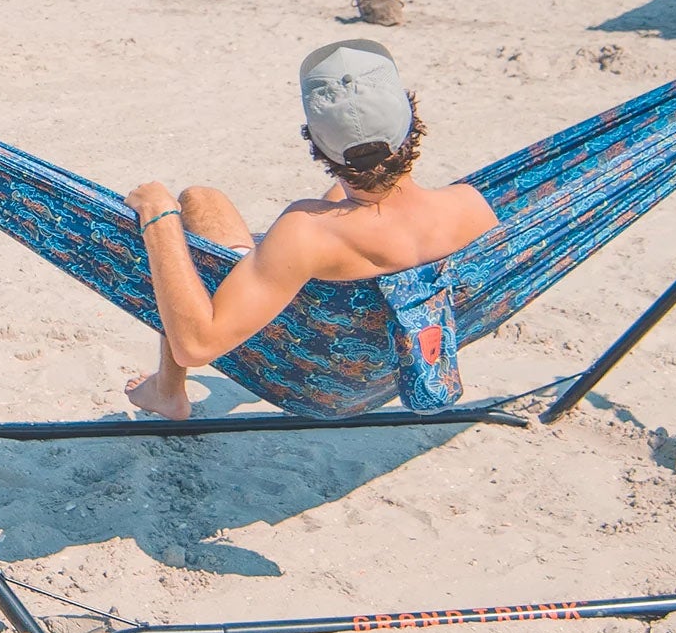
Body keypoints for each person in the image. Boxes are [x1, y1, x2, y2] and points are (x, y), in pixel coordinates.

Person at [121, 40, 499, 419]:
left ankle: (168, 389)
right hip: (393, 363)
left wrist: (160, 218)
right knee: (334, 200)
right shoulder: (471, 207)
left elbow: (196, 346)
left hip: (303, 370)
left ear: (316, 143)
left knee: (200, 200)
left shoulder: (306, 232)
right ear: (411, 121)